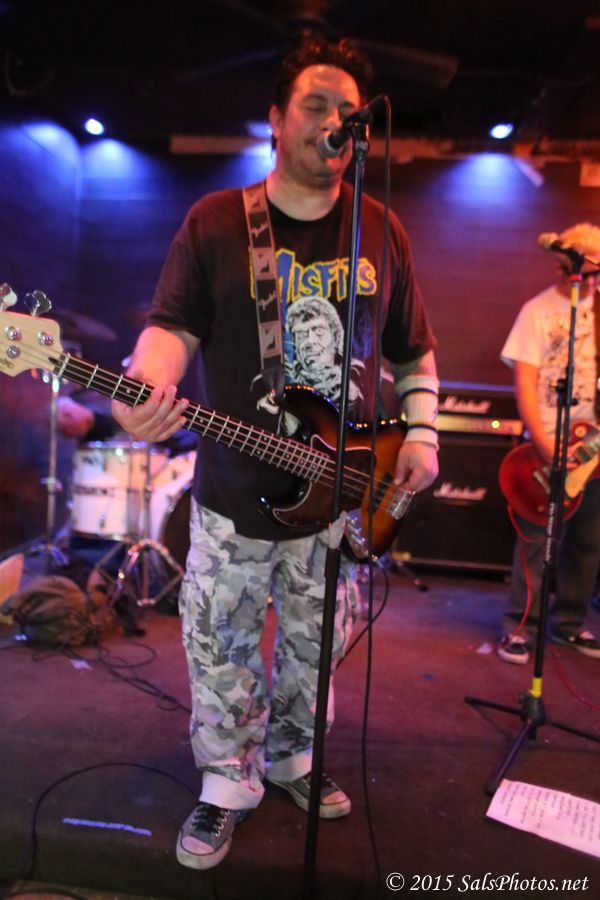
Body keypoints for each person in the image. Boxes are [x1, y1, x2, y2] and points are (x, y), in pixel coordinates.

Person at [111, 36, 439, 870]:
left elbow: (413, 350)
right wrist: (145, 385)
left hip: (341, 493)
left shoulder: (380, 228)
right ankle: (227, 781)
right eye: (316, 105)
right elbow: (169, 329)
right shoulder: (219, 221)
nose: (335, 122)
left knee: (316, 647)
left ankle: (293, 757)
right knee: (220, 644)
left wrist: (424, 432)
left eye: (348, 111)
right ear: (277, 121)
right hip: (234, 492)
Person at [498, 222, 600, 665]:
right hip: (545, 445)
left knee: (588, 540)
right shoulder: (536, 312)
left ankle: (570, 624)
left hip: (594, 448)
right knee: (535, 542)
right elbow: (524, 383)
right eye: (587, 270)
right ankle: (520, 627)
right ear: (565, 266)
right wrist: (544, 446)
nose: (592, 280)